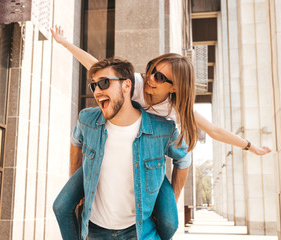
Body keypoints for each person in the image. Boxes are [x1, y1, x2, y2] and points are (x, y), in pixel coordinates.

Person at [51, 26, 271, 239]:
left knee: (169, 221)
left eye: (159, 77)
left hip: (149, 160)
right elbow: (95, 66)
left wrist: (250, 146)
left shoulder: (175, 108)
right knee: (61, 205)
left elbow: (214, 131)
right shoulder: (134, 83)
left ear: (174, 87)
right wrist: (64, 43)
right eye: (151, 69)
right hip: (106, 153)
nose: (150, 78)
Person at [60, 57, 190, 240]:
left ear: (126, 86)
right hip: (97, 231)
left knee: (170, 221)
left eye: (104, 84)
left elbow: (184, 158)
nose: (97, 91)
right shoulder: (88, 120)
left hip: (139, 232)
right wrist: (78, 182)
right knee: (60, 206)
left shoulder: (165, 125)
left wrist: (171, 202)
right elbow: (76, 141)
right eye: (94, 86)